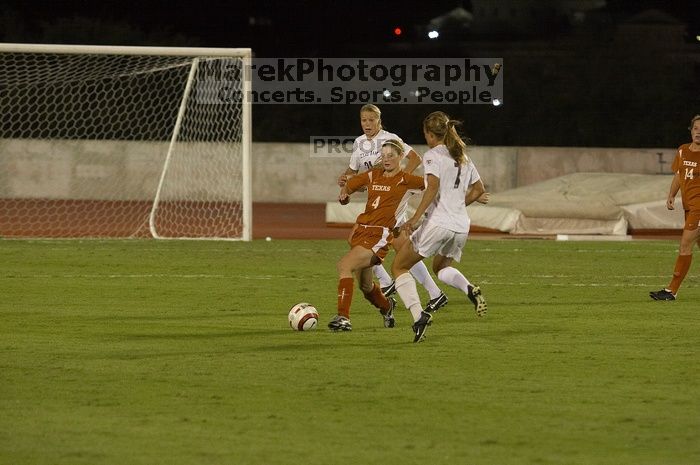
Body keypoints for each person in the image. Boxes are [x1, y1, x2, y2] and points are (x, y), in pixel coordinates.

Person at [337, 104, 448, 312]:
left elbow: (415, 158)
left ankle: (420, 291)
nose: (367, 124)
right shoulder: (359, 143)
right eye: (364, 120)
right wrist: (346, 180)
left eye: (371, 120)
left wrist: (398, 182)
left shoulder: (390, 139)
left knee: (397, 250)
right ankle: (430, 293)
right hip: (376, 205)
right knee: (363, 243)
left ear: (379, 121)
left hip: (391, 207)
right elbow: (353, 170)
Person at [391, 111, 489, 342]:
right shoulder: (462, 156)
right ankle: (468, 289)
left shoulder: (433, 155)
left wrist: (414, 219)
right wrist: (456, 205)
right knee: (440, 268)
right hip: (461, 225)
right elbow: (479, 190)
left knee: (399, 267)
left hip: (439, 223)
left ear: (429, 134)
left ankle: (418, 317)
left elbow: (432, 187)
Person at [329, 139, 425, 331]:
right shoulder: (374, 175)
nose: (387, 159)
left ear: (401, 157)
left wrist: (418, 218)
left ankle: (343, 318)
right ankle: (387, 306)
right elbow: (349, 186)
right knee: (365, 287)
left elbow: (433, 188)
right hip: (361, 232)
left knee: (344, 265)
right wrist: (344, 194)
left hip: (379, 236)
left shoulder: (407, 180)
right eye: (384, 155)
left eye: (391, 155)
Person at [650, 114, 700, 301]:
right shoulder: (682, 151)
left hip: (699, 209)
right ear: (691, 130)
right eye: (696, 128)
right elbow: (680, 174)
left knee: (685, 245)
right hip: (689, 207)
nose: (699, 132)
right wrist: (672, 194)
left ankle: (671, 291)